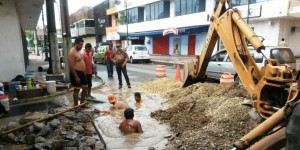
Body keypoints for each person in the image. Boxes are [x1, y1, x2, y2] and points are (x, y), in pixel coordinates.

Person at [68, 37, 88, 106]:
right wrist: (76, 76)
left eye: (82, 44)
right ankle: (76, 106)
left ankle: (82, 103)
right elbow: (71, 66)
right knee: (76, 90)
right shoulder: (72, 52)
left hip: (82, 73)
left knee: (85, 88)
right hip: (75, 73)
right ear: (75, 43)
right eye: (80, 44)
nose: (81, 46)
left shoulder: (78, 50)